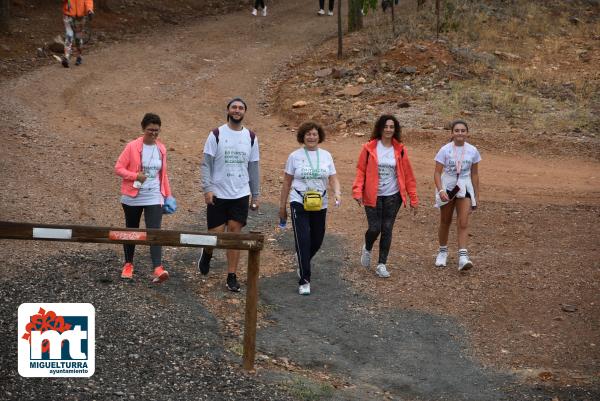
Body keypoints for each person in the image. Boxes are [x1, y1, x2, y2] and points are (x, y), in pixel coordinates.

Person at [198, 97, 260, 292]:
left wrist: (255, 195)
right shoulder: (216, 134)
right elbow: (206, 163)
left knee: (234, 234)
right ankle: (207, 253)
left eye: (241, 108)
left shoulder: (250, 137)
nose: (237, 110)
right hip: (218, 192)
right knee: (215, 235)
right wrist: (207, 188)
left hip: (240, 192)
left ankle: (232, 275)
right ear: (228, 110)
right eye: (234, 107)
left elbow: (254, 167)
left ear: (244, 112)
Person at [352, 115, 418, 278]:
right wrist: (357, 191)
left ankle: (382, 264)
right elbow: (361, 170)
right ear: (380, 128)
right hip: (372, 194)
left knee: (387, 228)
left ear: (395, 130)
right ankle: (367, 248)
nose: (388, 130)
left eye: (392, 127)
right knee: (375, 228)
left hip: (392, 195)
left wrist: (413, 198)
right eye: (386, 126)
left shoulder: (400, 149)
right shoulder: (369, 148)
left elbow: (408, 175)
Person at [279, 121, 341, 295]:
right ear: (302, 136)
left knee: (318, 239)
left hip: (320, 202)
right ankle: (304, 279)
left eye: (314, 134)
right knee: (303, 239)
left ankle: (302, 258)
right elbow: (286, 182)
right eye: (308, 134)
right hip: (298, 200)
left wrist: (337, 193)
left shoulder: (327, 156)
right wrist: (282, 206)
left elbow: (333, 178)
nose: (311, 137)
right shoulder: (294, 156)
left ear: (319, 136)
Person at [115, 113, 172, 283]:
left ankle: (157, 267)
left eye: (156, 131)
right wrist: (134, 176)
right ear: (143, 129)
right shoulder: (132, 146)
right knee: (131, 230)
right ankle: (128, 264)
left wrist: (168, 195)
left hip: (154, 195)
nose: (153, 134)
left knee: (154, 230)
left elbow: (163, 175)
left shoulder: (161, 148)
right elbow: (118, 168)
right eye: (150, 130)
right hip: (133, 195)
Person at [433, 119, 481, 271]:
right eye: (457, 130)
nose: (460, 133)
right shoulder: (445, 150)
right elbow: (437, 172)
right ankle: (442, 252)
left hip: (464, 186)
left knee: (463, 221)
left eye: (463, 130)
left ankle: (463, 257)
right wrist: (441, 190)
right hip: (448, 186)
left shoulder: (473, 150)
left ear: (467, 133)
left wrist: (476, 196)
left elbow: (475, 174)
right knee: (445, 221)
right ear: (452, 133)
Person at [61, 0, 94, 68]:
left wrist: (89, 10)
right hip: (68, 15)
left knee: (78, 37)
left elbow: (88, 1)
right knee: (69, 35)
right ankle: (66, 57)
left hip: (80, 17)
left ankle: (79, 56)